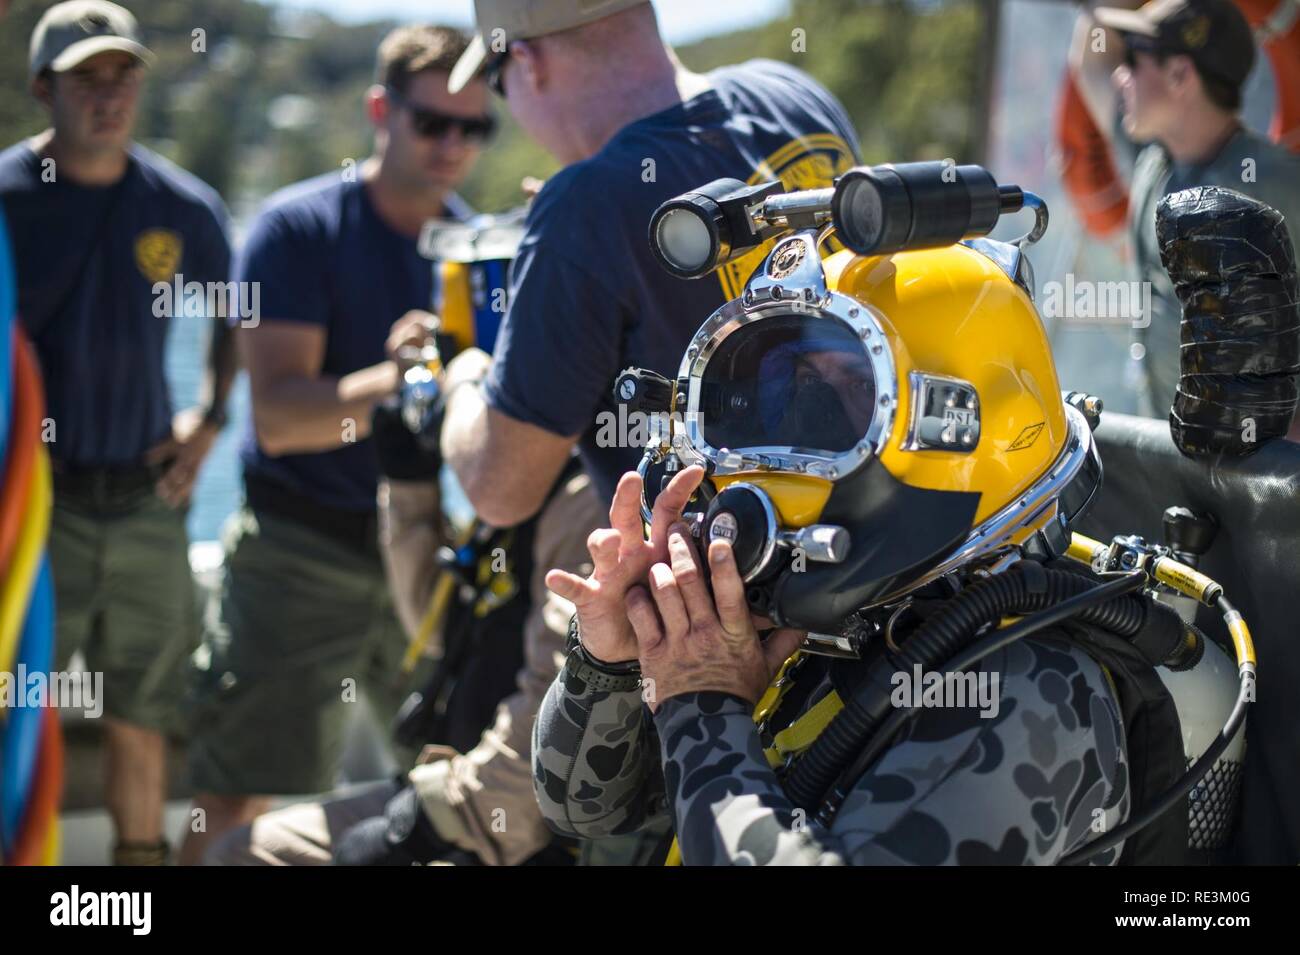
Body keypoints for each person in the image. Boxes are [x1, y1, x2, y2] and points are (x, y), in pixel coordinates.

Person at [532, 169, 1246, 865]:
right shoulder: (819, 622)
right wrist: (617, 663)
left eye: (835, 403)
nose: (760, 461)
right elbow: (583, 807)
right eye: (768, 393)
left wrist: (702, 706)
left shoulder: (1028, 692)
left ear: (958, 427)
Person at [179, 24, 490, 865]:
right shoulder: (295, 230)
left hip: (423, 557)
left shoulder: (478, 250)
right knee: (235, 791)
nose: (454, 145)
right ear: (380, 110)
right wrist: (393, 379)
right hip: (297, 552)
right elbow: (280, 417)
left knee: (456, 783)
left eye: (475, 127)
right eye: (433, 123)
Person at [0, 0, 235, 865]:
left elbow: (231, 318)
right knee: (15, 709)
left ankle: (131, 895)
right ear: (42, 89)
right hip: (34, 510)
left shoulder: (182, 205)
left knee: (145, 714)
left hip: (145, 506)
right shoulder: (8, 198)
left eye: (122, 74)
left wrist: (209, 420)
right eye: (85, 78)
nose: (108, 95)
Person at [1069, 0, 1300, 419]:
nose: (1120, 76)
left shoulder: (1274, 185)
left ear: (1179, 74)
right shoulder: (1154, 161)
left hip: (1255, 472)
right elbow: (1091, 66)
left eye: (1134, 61)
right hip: (1173, 464)